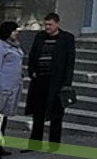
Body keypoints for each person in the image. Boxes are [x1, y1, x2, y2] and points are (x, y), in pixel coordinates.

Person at [26, 12, 76, 151]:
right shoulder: (40, 37)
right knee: (38, 113)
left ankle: (53, 145)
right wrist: (32, 71)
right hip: (39, 80)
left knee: (56, 115)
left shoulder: (67, 38)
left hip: (57, 82)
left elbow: (70, 62)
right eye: (45, 24)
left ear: (57, 24)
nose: (47, 27)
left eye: (50, 24)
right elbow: (32, 55)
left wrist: (66, 83)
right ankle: (35, 144)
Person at [0, 21, 25, 157]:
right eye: (14, 30)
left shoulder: (15, 46)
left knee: (3, 118)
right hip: (1, 88)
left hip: (12, 88)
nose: (16, 33)